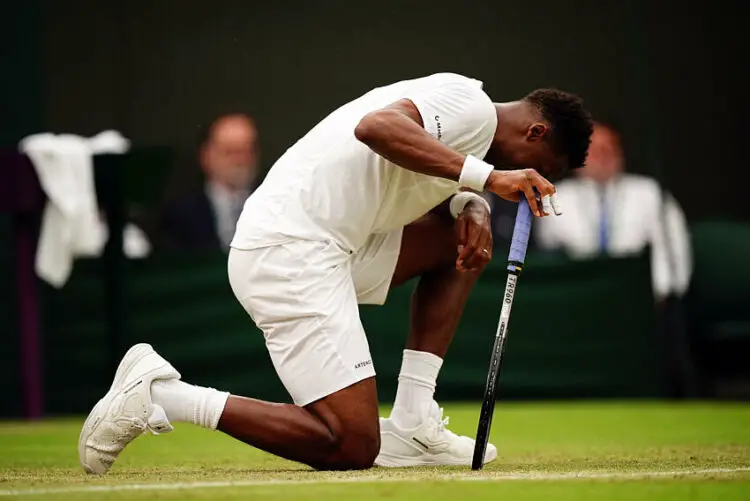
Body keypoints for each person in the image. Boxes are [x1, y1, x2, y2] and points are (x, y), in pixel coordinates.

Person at [79, 73, 593, 472]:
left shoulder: (470, 131)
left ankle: (414, 420)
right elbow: (376, 128)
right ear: (535, 131)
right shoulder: (471, 106)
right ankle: (161, 394)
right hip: (288, 252)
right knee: (352, 443)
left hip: (332, 247)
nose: (536, 181)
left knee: (456, 240)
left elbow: (414, 179)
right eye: (542, 166)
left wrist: (471, 205)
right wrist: (488, 178)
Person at [535, 121, 691, 300]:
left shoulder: (650, 193)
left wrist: (658, 295)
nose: (602, 156)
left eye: (609, 148)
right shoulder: (555, 198)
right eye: (593, 150)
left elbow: (673, 252)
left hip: (640, 298)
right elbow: (549, 257)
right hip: (579, 298)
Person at [161, 113, 260, 250]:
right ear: (206, 156)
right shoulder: (181, 213)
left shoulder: (276, 204)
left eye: (247, 151)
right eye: (230, 152)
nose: (240, 161)